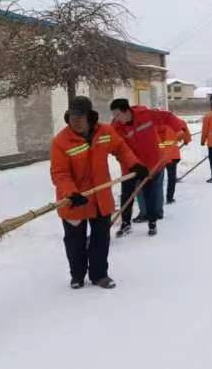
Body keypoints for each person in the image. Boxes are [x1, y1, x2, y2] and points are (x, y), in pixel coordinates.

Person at [51, 96, 144, 290]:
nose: (75, 122)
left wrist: (134, 164)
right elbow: (60, 173)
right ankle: (77, 276)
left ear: (90, 116)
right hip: (74, 200)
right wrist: (71, 193)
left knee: (101, 240)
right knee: (75, 242)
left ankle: (99, 275)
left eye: (80, 117)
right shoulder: (61, 141)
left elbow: (121, 148)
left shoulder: (105, 132)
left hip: (101, 198)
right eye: (72, 117)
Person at [110, 98, 185, 237]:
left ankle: (152, 222)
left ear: (126, 111)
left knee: (149, 193)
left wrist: (180, 129)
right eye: (114, 116)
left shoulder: (146, 115)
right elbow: (115, 148)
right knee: (127, 195)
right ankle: (126, 223)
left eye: (118, 115)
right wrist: (126, 161)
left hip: (150, 163)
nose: (116, 119)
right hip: (130, 166)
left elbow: (167, 116)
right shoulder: (116, 127)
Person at [157, 115, 192, 205]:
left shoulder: (154, 124)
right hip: (172, 155)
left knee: (157, 179)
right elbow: (185, 130)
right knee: (171, 178)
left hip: (158, 156)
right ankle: (169, 198)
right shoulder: (177, 122)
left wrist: (161, 146)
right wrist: (186, 140)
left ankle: (157, 200)